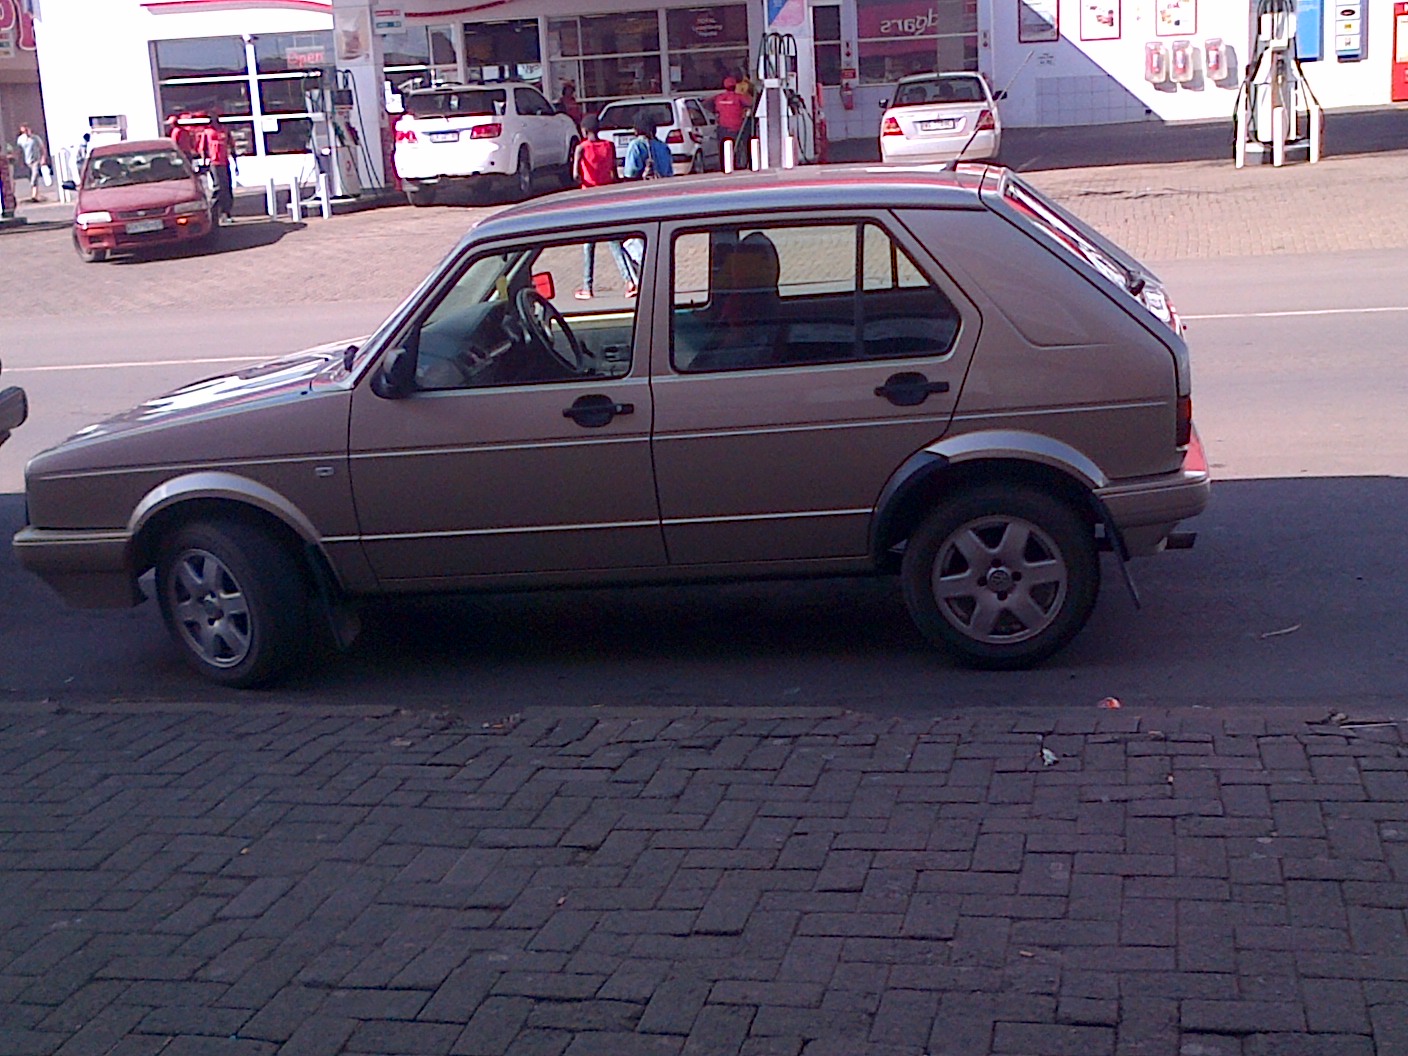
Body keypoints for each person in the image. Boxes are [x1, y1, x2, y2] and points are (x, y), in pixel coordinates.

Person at [571, 115, 637, 299]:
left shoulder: (581, 148)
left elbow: (575, 175)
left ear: (584, 130)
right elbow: (614, 173)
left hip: (588, 199)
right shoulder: (609, 146)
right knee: (614, 240)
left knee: (588, 244)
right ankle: (629, 280)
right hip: (607, 198)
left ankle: (587, 286)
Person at [197, 116, 235, 224]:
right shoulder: (207, 132)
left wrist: (235, 163)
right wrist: (205, 162)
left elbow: (231, 146)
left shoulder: (225, 131)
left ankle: (226, 212)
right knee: (218, 187)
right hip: (214, 163)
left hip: (225, 162)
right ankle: (214, 213)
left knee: (227, 187)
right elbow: (202, 148)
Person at [622, 116, 675, 181]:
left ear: (637, 129)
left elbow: (631, 172)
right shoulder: (663, 146)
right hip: (664, 183)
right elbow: (669, 171)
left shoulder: (636, 145)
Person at [15, 123, 48, 203]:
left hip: (36, 160)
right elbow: (19, 151)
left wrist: (43, 158)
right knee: (30, 177)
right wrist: (19, 160)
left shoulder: (35, 138)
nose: (26, 132)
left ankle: (34, 195)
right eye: (24, 131)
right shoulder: (20, 139)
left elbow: (42, 148)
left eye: (27, 130)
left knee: (34, 177)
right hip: (27, 161)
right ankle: (35, 194)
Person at [709, 76, 747, 142]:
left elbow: (706, 104)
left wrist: (714, 112)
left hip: (722, 128)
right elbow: (752, 103)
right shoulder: (739, 97)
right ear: (735, 86)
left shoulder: (718, 97)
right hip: (735, 129)